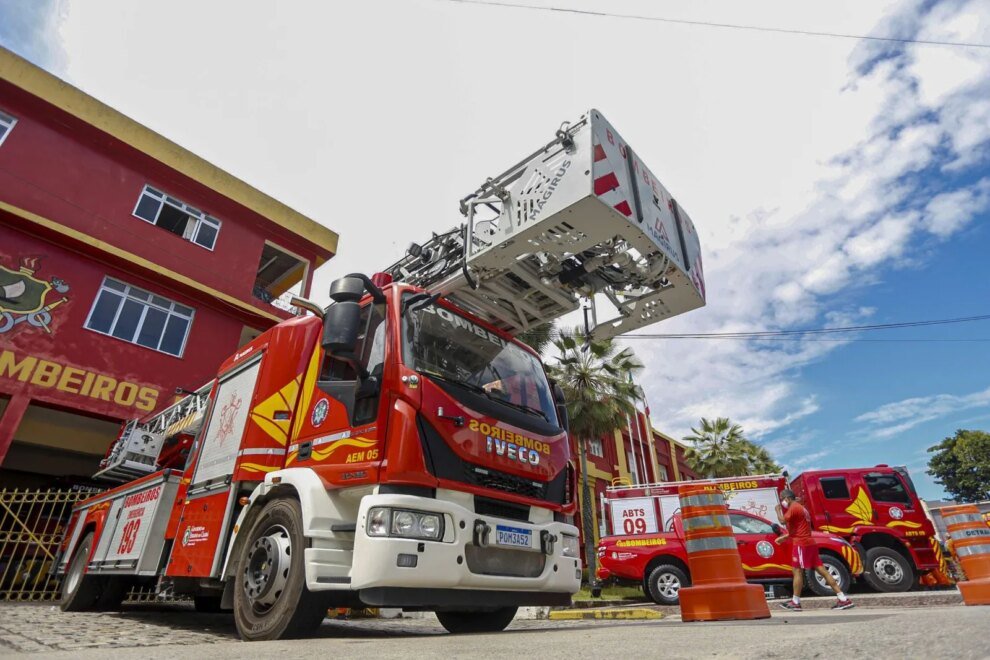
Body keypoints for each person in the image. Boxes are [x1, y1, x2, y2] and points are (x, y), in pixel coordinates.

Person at [775, 488, 854, 611]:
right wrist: (785, 537)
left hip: (801, 544)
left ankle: (795, 602)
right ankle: (843, 599)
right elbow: (796, 529)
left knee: (797, 571)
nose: (782, 502)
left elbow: (781, 520)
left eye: (782, 499)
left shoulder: (794, 508)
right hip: (809, 542)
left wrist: (778, 511)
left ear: (788, 498)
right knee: (823, 571)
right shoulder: (802, 509)